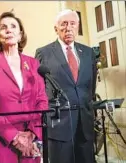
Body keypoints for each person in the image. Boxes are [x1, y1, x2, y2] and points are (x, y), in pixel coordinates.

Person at [0, 12, 48, 163]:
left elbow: (42, 100)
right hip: (1, 140)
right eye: (3, 27)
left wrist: (31, 132)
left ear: (20, 34)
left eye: (13, 26)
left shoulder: (34, 64)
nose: (8, 30)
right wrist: (14, 136)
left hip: (31, 138)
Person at [35, 9, 97, 163]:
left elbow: (91, 87)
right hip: (58, 125)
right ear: (56, 28)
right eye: (64, 24)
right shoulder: (44, 53)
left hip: (85, 123)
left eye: (73, 24)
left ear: (77, 26)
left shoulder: (88, 53)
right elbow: (39, 90)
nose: (68, 28)